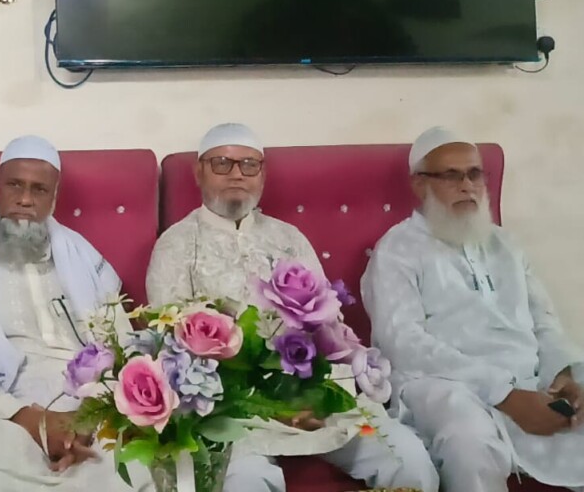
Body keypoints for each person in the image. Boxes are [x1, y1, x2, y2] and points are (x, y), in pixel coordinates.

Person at [146, 123, 438, 492]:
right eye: (222, 163)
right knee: (246, 482)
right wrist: (271, 407)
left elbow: (329, 325)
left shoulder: (288, 238)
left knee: (407, 459)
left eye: (249, 164)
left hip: (314, 401)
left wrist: (317, 396)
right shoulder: (175, 246)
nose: (237, 174)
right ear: (198, 171)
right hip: (233, 412)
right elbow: (173, 349)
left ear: (262, 174)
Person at [0, 136, 154, 491]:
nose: (25, 199)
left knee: (126, 473)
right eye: (14, 185)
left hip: (88, 404)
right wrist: (31, 419)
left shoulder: (85, 260)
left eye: (39, 189)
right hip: (1, 411)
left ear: (54, 197)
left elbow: (120, 347)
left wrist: (88, 417)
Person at [364, 126, 584, 492]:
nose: (467, 186)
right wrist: (504, 395)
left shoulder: (504, 244)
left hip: (526, 377)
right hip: (443, 382)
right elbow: (402, 343)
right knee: (468, 435)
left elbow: (544, 321)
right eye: (451, 176)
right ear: (420, 184)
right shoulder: (397, 249)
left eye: (475, 174)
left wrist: (562, 375)